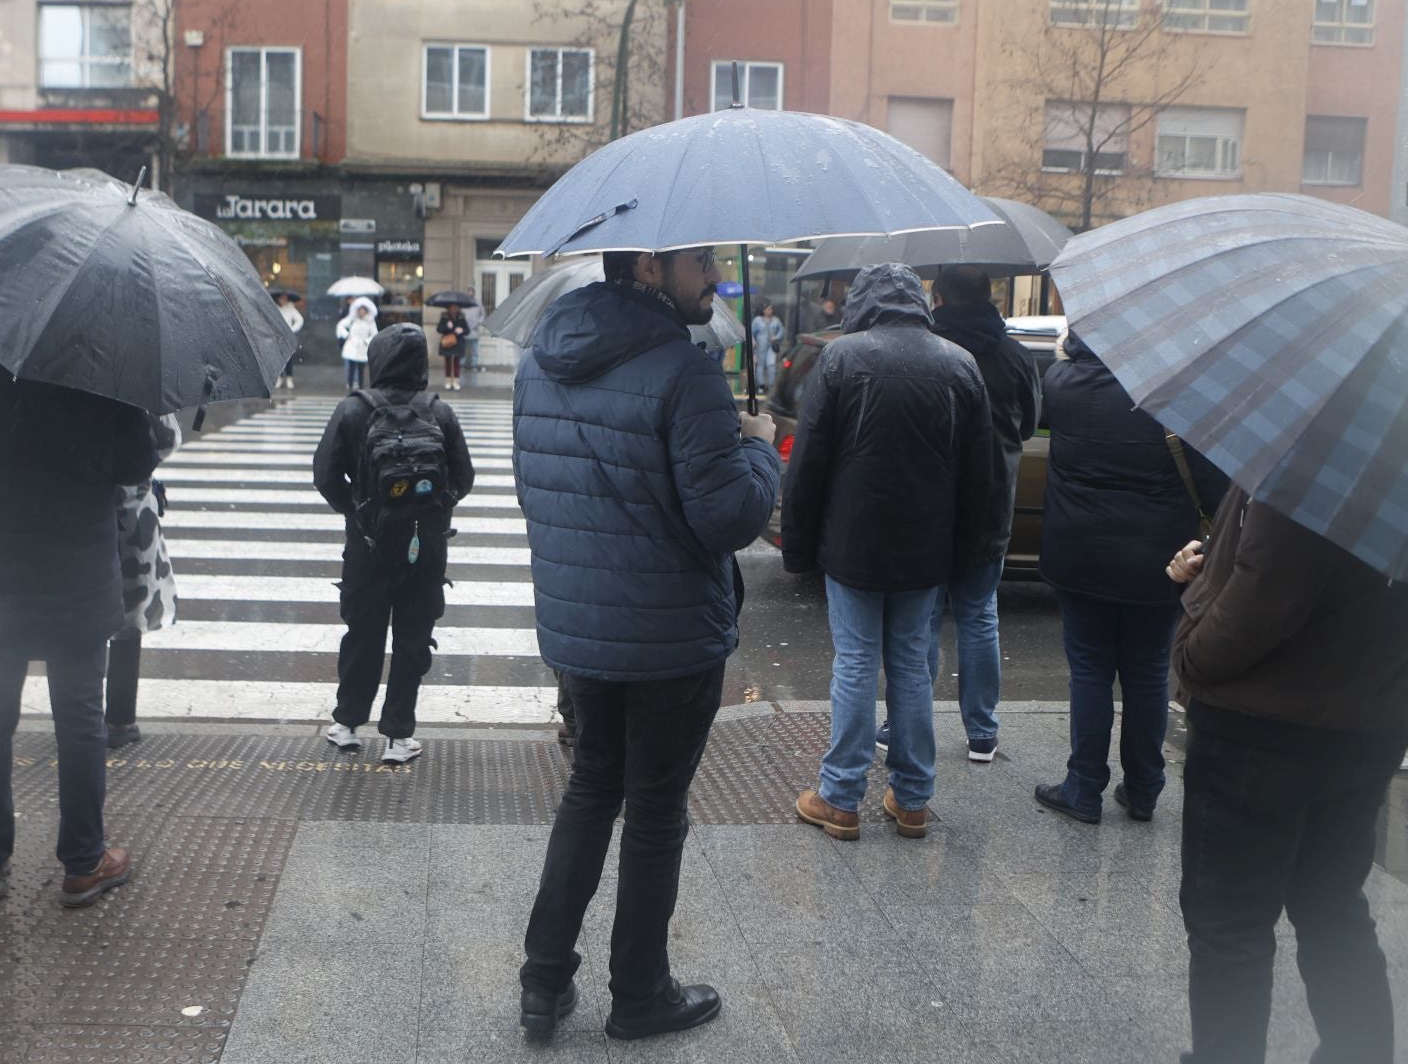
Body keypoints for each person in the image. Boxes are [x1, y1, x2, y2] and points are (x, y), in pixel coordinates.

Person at [514, 247, 780, 1043]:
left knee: (592, 788)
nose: (716, 282)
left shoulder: (540, 364)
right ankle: (639, 992)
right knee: (656, 810)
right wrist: (759, 445)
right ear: (650, 269)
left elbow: (541, 489)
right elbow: (730, 519)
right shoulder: (686, 372)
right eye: (701, 264)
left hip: (581, 626)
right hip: (669, 634)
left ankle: (543, 981)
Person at [1167, 489, 1408, 1064]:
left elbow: (1266, 594)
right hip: (1370, 719)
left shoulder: (1319, 461)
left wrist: (1192, 645)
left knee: (1230, 927)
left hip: (1262, 731)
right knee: (1332, 908)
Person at [0, 339, 160, 908]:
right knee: (80, 721)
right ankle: (82, 862)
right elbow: (135, 463)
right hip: (76, 577)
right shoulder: (100, 369)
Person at [783, 263, 993, 842]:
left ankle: (841, 796)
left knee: (854, 662)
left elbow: (810, 463)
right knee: (909, 663)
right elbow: (983, 475)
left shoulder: (843, 358)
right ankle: (912, 796)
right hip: (927, 546)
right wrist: (973, 549)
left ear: (864, 303)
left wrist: (798, 544)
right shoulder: (959, 364)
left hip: (853, 543)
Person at [1032, 331, 1226, 825]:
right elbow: (1212, 483)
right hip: (1158, 561)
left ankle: (1083, 788)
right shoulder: (1177, 395)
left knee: (1091, 671)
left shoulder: (1060, 382)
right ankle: (1143, 788)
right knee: (1147, 673)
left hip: (1078, 555)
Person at [313, 323, 474, 764]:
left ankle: (347, 724)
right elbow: (465, 477)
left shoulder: (353, 410)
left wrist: (358, 511)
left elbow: (325, 476)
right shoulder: (438, 412)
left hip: (368, 546)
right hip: (425, 547)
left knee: (362, 633)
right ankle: (399, 736)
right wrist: (435, 511)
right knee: (412, 639)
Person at [907, 264, 1041, 764]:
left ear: (937, 299)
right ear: (990, 296)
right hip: (992, 504)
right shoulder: (1014, 355)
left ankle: (905, 719)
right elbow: (1028, 425)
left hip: (929, 506)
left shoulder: (927, 354)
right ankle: (982, 733)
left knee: (918, 619)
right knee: (980, 615)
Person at [105, 413, 182, 750]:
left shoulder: (61, 375)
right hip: (131, 515)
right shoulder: (140, 375)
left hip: (72, 506)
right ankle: (119, 720)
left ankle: (79, 713)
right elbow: (167, 439)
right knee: (128, 615)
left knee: (76, 608)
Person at [340, 299, 376, 391]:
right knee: (351, 367)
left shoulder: (370, 322)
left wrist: (367, 341)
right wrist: (346, 335)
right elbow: (341, 326)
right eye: (360, 310)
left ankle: (361, 386)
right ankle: (350, 385)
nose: (361, 312)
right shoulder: (352, 319)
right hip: (352, 345)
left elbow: (374, 334)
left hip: (362, 347)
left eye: (363, 310)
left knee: (361, 368)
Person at [749, 303, 783, 394]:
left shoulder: (776, 320)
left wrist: (776, 337)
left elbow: (781, 331)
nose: (770, 311)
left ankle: (771, 384)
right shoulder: (757, 320)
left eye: (771, 309)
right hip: (760, 345)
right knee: (760, 365)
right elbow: (750, 332)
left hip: (771, 346)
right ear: (764, 310)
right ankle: (761, 385)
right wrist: (753, 341)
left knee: (771, 365)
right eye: (768, 309)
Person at [436, 302, 471, 391]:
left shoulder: (461, 317)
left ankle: (456, 381)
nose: (454, 309)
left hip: (458, 342)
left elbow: (467, 330)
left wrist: (461, 330)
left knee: (456, 361)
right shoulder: (444, 317)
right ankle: (448, 380)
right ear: (449, 308)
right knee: (447, 361)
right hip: (448, 341)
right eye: (452, 307)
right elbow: (439, 329)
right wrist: (446, 327)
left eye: (456, 307)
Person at [275, 295, 305, 391]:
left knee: (289, 359)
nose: (283, 300)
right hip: (277, 336)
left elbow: (299, 320)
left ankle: (289, 378)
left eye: (285, 298)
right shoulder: (274, 307)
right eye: (281, 298)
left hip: (288, 337)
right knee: (278, 359)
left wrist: (292, 330)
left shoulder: (290, 308)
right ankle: (279, 379)